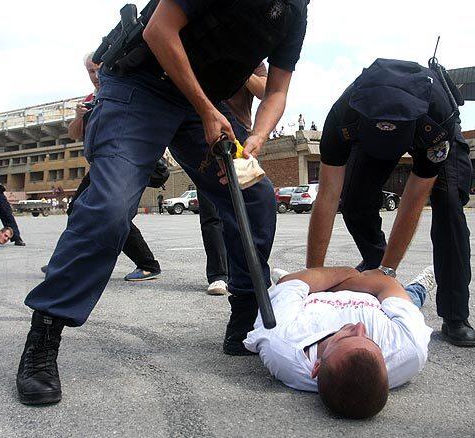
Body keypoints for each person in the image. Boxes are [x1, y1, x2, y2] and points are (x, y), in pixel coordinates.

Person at [16, 0, 310, 405]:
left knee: (254, 195)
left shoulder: (295, 10)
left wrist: (254, 139)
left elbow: (276, 88)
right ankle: (44, 337)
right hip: (141, 83)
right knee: (111, 208)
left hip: (198, 100)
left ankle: (243, 319)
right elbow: (159, 30)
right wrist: (208, 110)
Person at [307, 58, 475, 347]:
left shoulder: (436, 124)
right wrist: (311, 282)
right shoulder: (343, 117)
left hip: (425, 127)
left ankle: (455, 315)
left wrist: (389, 273)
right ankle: (373, 265)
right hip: (370, 129)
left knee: (449, 205)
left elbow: (412, 200)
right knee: (354, 202)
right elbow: (327, 197)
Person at [245, 265, 435, 419]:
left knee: (290, 285)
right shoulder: (408, 349)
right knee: (409, 299)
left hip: (315, 295)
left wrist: (344, 275)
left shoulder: (280, 343)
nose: (359, 326)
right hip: (374, 296)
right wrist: (359, 282)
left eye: (346, 337)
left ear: (316, 367)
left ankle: (304, 287)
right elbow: (387, 284)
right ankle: (418, 286)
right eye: (371, 340)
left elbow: (292, 282)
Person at [41, 52, 161, 282]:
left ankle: (148, 264)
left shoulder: (125, 91)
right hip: (101, 165)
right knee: (80, 209)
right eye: (90, 71)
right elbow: (74, 134)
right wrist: (79, 117)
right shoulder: (90, 99)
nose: (95, 75)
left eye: (98, 68)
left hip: (126, 163)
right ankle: (66, 261)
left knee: (114, 214)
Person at [198, 62, 268, 296]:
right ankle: (218, 274)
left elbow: (265, 91)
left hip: (239, 132)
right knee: (212, 208)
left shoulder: (255, 59)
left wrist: (240, 62)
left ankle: (249, 276)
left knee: (249, 204)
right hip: (205, 127)